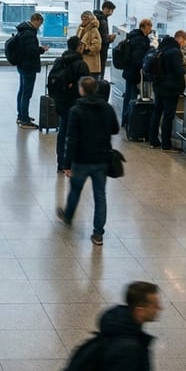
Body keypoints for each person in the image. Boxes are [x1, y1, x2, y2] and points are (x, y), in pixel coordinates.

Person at [56, 77, 119, 246]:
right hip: (101, 159)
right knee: (100, 196)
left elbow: (72, 139)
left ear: (81, 89)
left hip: (81, 160)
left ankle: (68, 216)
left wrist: (66, 164)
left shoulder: (76, 110)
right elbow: (115, 129)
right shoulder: (107, 108)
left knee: (75, 190)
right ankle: (98, 233)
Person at [84, 281, 161, 371]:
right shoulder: (129, 349)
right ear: (140, 310)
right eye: (154, 305)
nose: (160, 308)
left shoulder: (116, 329)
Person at [48, 37, 90, 173]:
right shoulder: (81, 64)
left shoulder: (59, 61)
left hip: (61, 102)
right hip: (75, 104)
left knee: (63, 132)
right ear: (79, 47)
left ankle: (61, 163)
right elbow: (84, 87)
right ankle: (74, 162)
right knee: (77, 134)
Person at [149, 30, 186, 152]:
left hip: (159, 85)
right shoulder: (175, 52)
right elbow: (179, 70)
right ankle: (166, 145)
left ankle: (153, 140)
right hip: (171, 88)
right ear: (180, 39)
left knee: (157, 112)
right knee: (168, 116)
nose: (184, 44)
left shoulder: (163, 47)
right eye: (185, 41)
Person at [14, 13, 50, 129]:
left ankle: (21, 115)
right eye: (40, 23)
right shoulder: (29, 33)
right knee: (27, 93)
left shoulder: (23, 30)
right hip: (28, 66)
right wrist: (42, 49)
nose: (40, 26)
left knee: (22, 90)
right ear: (36, 20)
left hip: (22, 65)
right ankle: (24, 119)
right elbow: (31, 50)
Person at [121, 19, 154, 128]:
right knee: (132, 97)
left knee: (128, 96)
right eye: (149, 27)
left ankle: (125, 120)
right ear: (144, 27)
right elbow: (138, 58)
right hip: (134, 73)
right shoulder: (141, 40)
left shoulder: (133, 36)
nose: (150, 30)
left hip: (128, 71)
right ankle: (131, 120)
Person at [76, 11, 103, 77]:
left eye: (86, 18)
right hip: (83, 64)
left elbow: (97, 46)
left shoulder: (93, 30)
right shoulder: (81, 28)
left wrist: (86, 50)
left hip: (91, 67)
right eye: (83, 17)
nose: (84, 19)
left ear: (91, 18)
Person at [93, 0, 116, 76]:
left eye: (112, 10)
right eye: (110, 10)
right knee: (100, 70)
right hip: (101, 50)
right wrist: (110, 39)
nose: (111, 12)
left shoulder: (96, 17)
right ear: (105, 9)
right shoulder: (103, 21)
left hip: (96, 49)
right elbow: (103, 40)